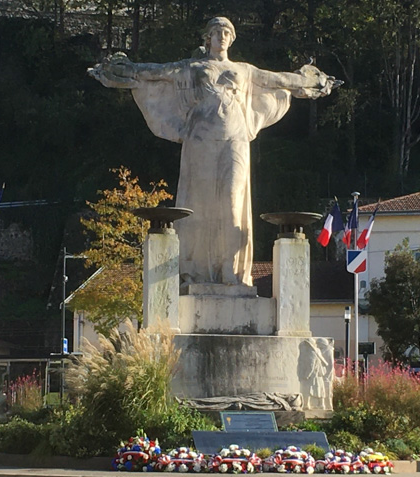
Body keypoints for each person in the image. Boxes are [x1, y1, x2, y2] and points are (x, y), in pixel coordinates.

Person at [89, 17, 340, 286]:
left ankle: (229, 271)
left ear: (232, 39)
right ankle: (194, 273)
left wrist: (310, 82)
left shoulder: (244, 70)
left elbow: (278, 80)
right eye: (217, 32)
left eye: (227, 32)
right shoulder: (191, 67)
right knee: (198, 205)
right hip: (199, 139)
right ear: (207, 37)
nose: (222, 36)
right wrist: (125, 71)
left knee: (233, 202)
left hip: (235, 138)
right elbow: (155, 72)